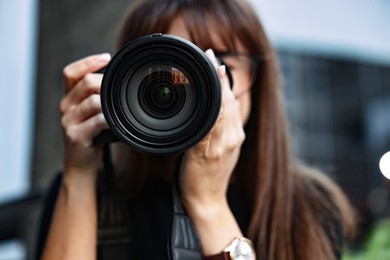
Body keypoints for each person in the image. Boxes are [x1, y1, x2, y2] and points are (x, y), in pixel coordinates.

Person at [37, 0, 356, 259]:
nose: (195, 88)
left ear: (260, 80)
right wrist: (79, 174)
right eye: (169, 72)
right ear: (121, 82)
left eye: (222, 69)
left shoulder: (308, 206)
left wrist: (208, 203)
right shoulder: (87, 187)